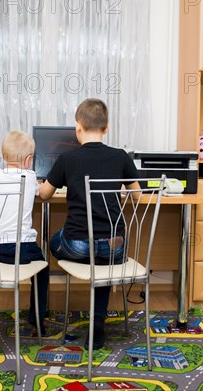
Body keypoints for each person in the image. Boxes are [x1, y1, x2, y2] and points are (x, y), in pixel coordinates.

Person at [39, 98, 140, 349]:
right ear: (107, 128)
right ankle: (98, 322)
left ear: (78, 127)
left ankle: (46, 309)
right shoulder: (121, 157)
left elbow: (44, 195)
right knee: (102, 261)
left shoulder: (67, 159)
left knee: (54, 240)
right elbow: (138, 196)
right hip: (114, 248)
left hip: (76, 248)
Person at [0, 131, 49, 335]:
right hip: (23, 248)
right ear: (28, 160)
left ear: (4, 156)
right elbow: (40, 192)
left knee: (15, 252)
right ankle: (36, 316)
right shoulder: (30, 177)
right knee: (42, 268)